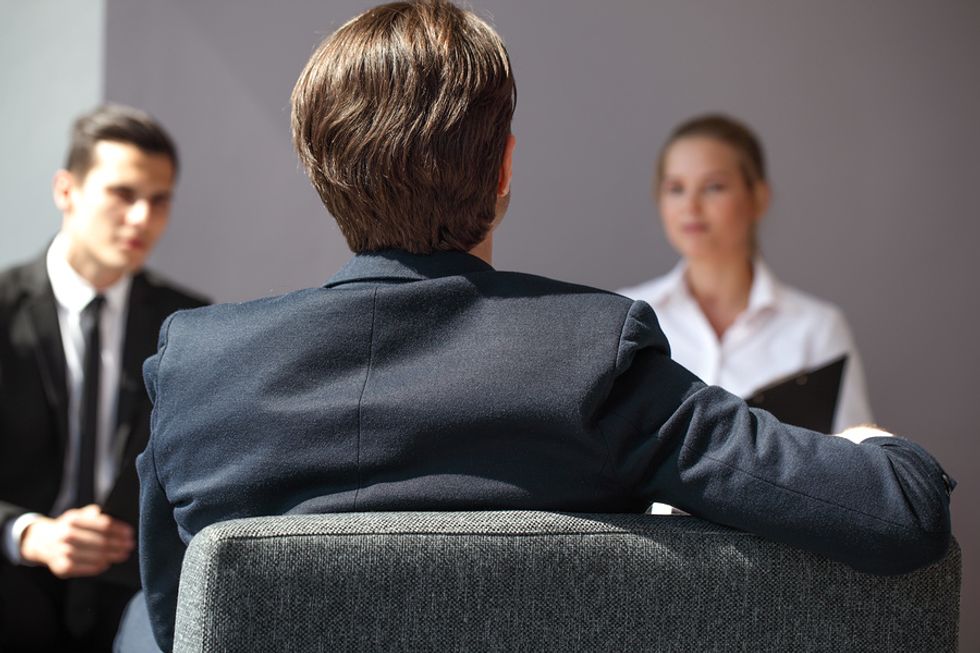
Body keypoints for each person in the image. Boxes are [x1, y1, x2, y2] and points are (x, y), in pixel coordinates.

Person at [130, 3, 953, 651]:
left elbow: (181, 627)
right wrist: (879, 448)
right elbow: (902, 517)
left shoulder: (195, 368)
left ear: (320, 171)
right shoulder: (589, 355)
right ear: (504, 170)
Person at [0, 104, 207, 652]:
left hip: (137, 600)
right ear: (66, 191)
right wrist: (27, 534)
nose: (142, 218)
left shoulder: (187, 326)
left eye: (159, 200)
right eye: (123, 194)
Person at [619, 114, 873, 433]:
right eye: (676, 188)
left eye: (714, 187)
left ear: (758, 197)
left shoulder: (816, 328)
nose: (691, 207)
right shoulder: (625, 316)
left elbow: (852, 462)